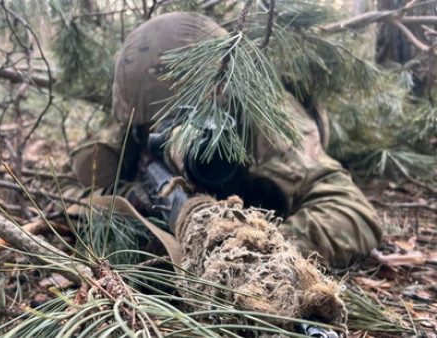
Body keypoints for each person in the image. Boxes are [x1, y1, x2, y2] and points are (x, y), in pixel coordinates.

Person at [70, 12, 382, 268]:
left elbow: (350, 212)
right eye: (155, 124)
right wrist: (134, 196)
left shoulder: (266, 120)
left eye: (183, 115)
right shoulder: (139, 115)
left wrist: (258, 254)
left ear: (221, 93)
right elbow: (87, 178)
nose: (165, 131)